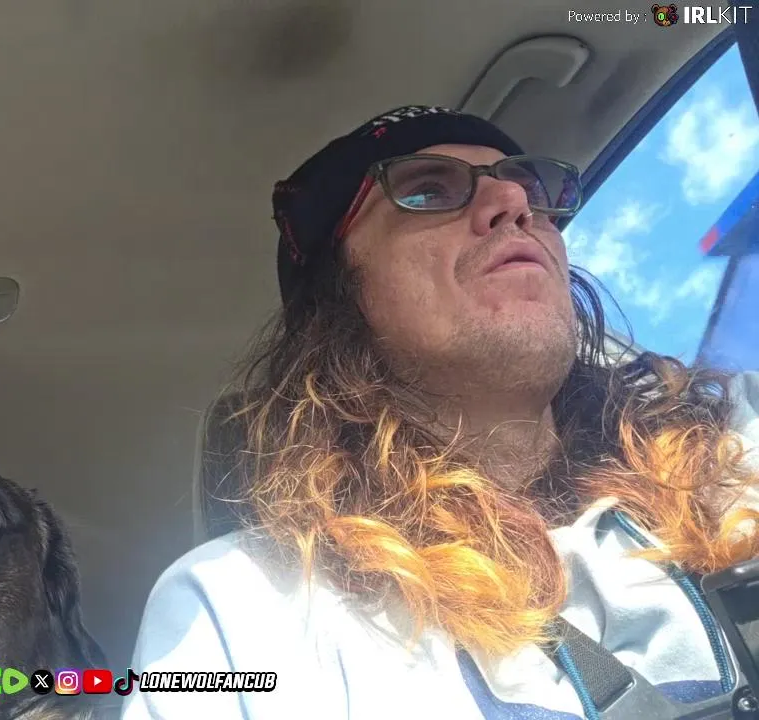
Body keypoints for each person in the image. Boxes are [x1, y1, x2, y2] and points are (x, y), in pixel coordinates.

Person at [120, 105, 759, 719]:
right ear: (340, 304)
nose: (514, 202)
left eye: (530, 191)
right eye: (427, 191)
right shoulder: (243, 610)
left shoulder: (734, 439)